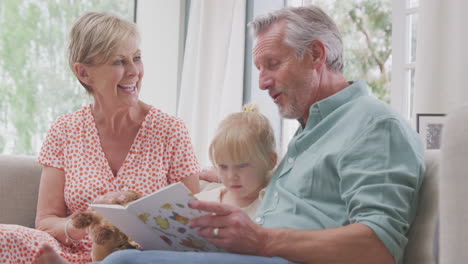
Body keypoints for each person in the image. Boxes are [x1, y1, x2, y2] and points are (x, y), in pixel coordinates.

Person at [38, 5, 425, 264]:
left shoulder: (374, 125)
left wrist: (263, 240)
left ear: (317, 55)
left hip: (273, 258)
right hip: (254, 256)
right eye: (258, 67)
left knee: (124, 261)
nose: (262, 82)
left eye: (272, 64)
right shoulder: (313, 130)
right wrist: (224, 179)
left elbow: (379, 244)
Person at [0, 11, 200, 264]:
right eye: (119, 62)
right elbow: (47, 220)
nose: (134, 72)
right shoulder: (64, 130)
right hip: (72, 254)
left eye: (136, 58)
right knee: (4, 237)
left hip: (141, 257)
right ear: (84, 73)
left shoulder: (170, 130)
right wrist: (80, 224)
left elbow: (193, 225)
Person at [195, 104, 277, 219]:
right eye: (223, 166)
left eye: (241, 166)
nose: (231, 176)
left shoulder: (275, 207)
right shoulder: (201, 202)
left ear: (270, 161)